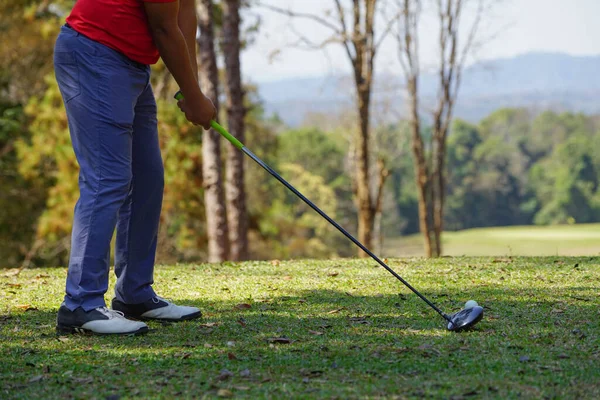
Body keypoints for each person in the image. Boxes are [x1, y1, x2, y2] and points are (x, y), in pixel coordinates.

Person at [54, 0, 216, 335]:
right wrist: (195, 96)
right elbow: (163, 28)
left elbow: (183, 16)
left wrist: (193, 91)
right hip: (95, 52)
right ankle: (80, 304)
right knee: (107, 179)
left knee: (147, 179)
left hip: (130, 63)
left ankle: (134, 294)